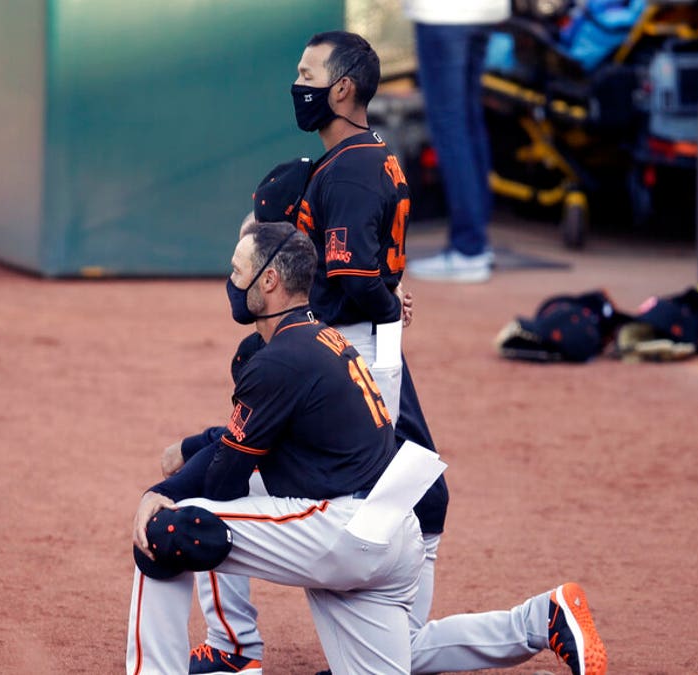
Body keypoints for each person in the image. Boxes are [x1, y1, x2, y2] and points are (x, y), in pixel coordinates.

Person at [185, 30, 607, 675]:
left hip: (346, 346)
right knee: (401, 485)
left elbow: (351, 280)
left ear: (343, 86)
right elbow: (363, 273)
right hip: (362, 341)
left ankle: (233, 648)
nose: (297, 84)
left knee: (239, 479)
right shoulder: (361, 157)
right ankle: (525, 621)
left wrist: (378, 301)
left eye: (308, 72)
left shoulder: (349, 168)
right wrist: (387, 294)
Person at [126, 222, 428, 674]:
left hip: (342, 532)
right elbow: (241, 442)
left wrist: (160, 492)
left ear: (269, 281)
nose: (231, 282)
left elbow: (223, 481)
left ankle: (219, 654)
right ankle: (534, 621)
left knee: (168, 529)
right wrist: (204, 448)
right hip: (395, 534)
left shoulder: (279, 360)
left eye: (237, 270)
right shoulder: (325, 339)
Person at [403, 0, 510, 283]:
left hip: (443, 13)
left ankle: (469, 247)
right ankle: (476, 243)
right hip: (483, 11)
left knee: (451, 126)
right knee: (467, 120)